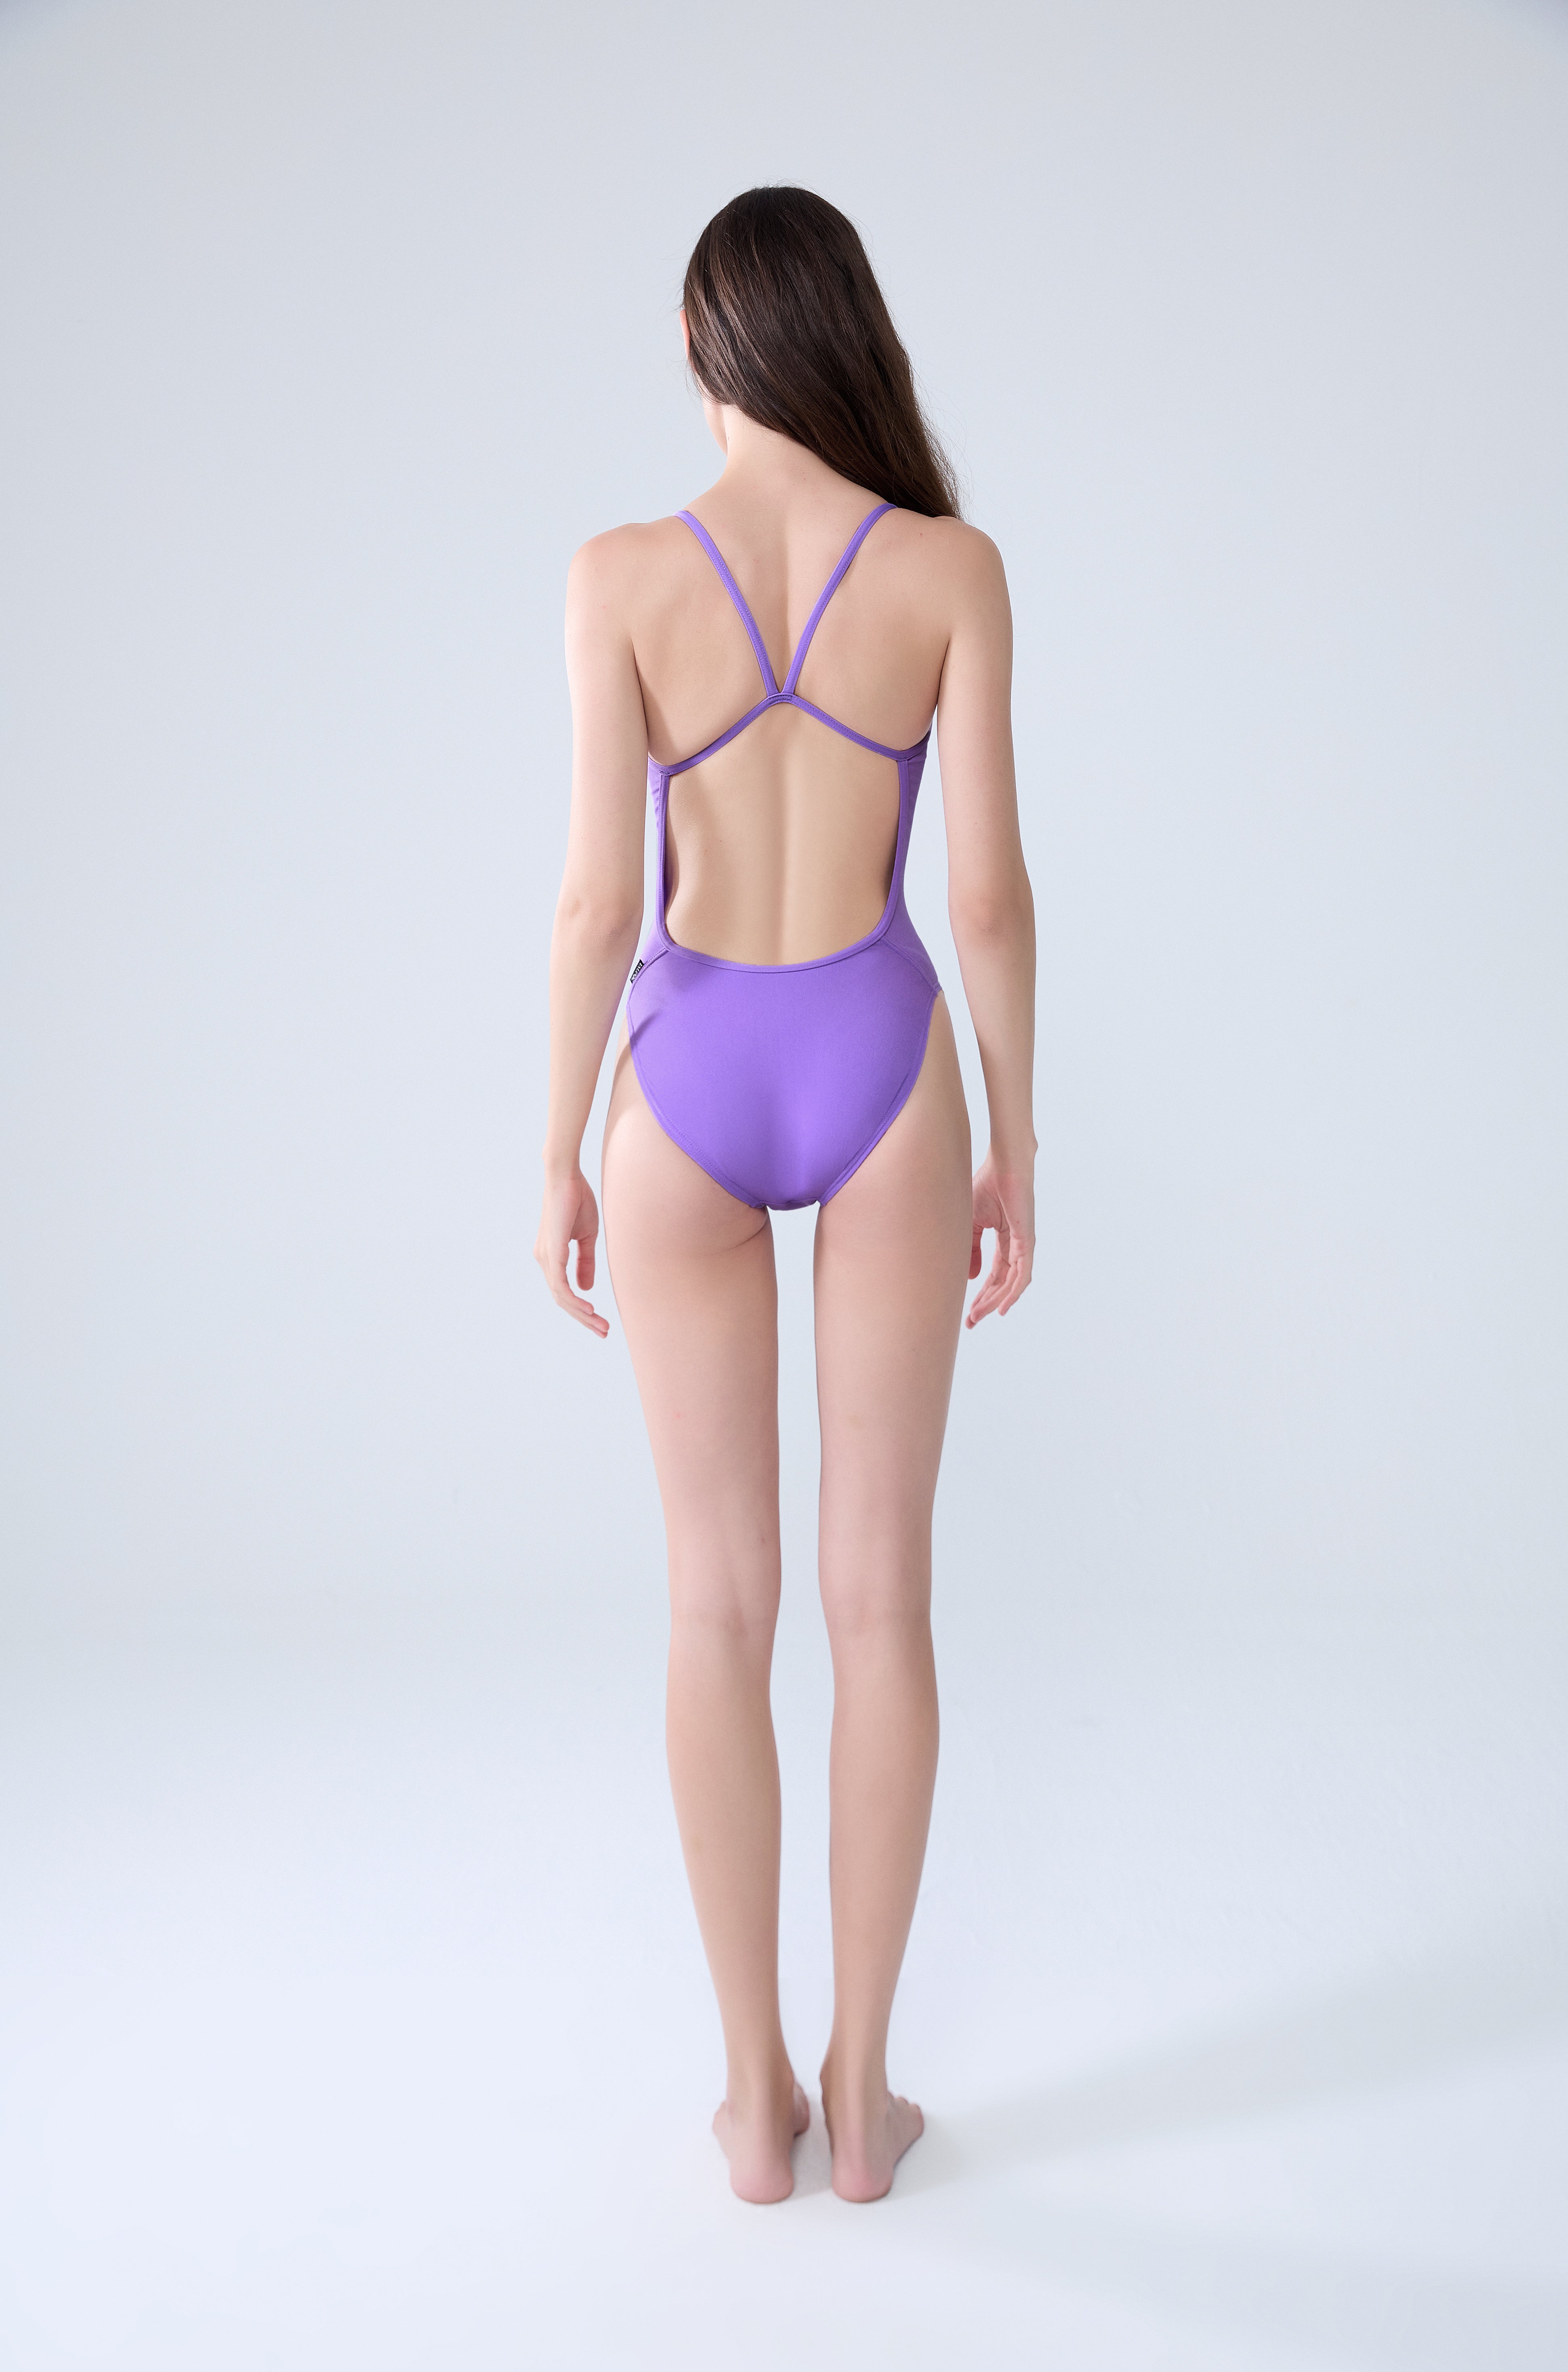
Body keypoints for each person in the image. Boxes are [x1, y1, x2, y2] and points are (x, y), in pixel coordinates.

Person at [535, 186, 1036, 2205]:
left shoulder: (617, 577)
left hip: (678, 1082)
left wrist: (553, 1151)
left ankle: (752, 2101)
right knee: (878, 1597)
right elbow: (985, 898)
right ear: (848, 333)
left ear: (699, 346)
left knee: (712, 1601)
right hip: (882, 1060)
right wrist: (1016, 1140)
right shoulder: (948, 570)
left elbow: (596, 902)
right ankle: (862, 2099)